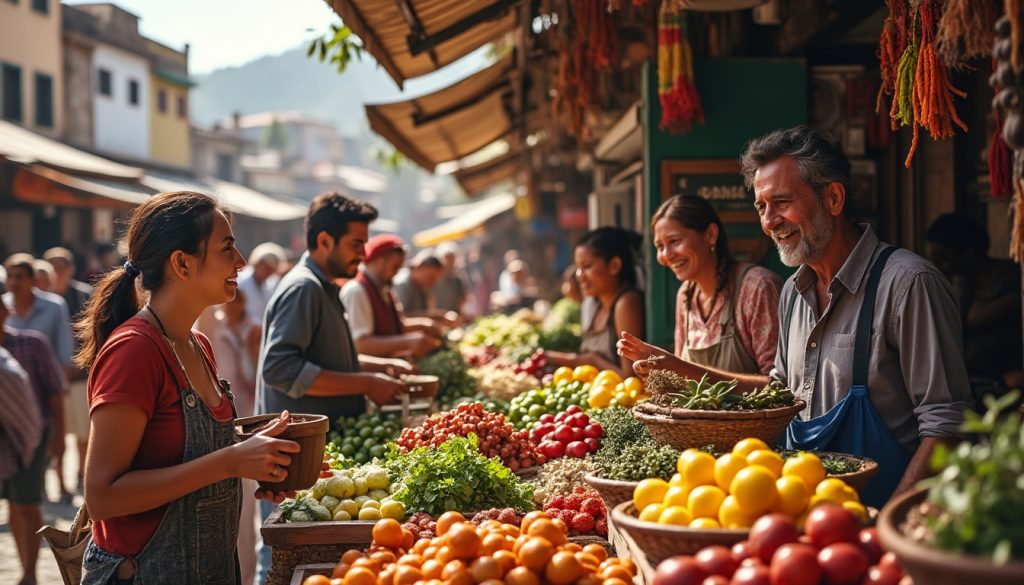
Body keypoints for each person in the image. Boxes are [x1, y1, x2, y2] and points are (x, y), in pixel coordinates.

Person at [635, 126, 973, 506]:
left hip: (888, 517)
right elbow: (780, 394)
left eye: (781, 202)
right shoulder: (793, 293)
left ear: (833, 197)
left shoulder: (909, 284)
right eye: (761, 207)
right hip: (812, 517)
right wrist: (684, 374)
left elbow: (947, 426)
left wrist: (889, 526)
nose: (769, 221)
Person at [75, 191, 300, 584]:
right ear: (181, 263)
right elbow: (102, 496)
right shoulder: (134, 351)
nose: (241, 262)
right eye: (227, 248)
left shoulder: (198, 346)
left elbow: (186, 451)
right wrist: (230, 461)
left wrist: (262, 456)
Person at [256, 193, 409, 583]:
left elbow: (325, 358)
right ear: (325, 240)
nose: (363, 252)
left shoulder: (325, 287)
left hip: (318, 461)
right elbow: (281, 367)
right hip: (298, 462)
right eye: (356, 244)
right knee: (281, 559)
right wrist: (366, 382)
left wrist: (376, 367)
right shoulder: (304, 288)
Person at [618, 195, 782, 378]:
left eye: (674, 241)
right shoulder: (685, 295)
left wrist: (677, 366)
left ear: (711, 235)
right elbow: (682, 382)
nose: (667, 255)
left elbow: (777, 385)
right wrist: (657, 373)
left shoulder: (756, 287)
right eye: (660, 246)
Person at [1, 300, 65, 585]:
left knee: (29, 502)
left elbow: (54, 391)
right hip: (4, 440)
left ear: (4, 312)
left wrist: (60, 437)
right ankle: (26, 567)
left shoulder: (32, 344)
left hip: (34, 435)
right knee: (14, 505)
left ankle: (31, 573)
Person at [925, 213, 1023, 399]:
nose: (940, 267)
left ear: (968, 252)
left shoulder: (1010, 279)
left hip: (1006, 384)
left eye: (944, 259)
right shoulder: (963, 285)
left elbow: (977, 317)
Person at [3, 253, 75, 501]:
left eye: (19, 277)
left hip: (45, 387)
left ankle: (61, 483)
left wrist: (61, 384)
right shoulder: (3, 307)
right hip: (11, 394)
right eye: (10, 276)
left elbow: (63, 348)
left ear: (32, 279)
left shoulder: (53, 306)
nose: (13, 282)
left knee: (54, 437)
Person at [212, 288, 262, 585]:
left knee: (247, 505)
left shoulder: (254, 329)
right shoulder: (212, 329)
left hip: (248, 418)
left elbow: (254, 377)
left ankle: (246, 573)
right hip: (223, 422)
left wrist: (250, 347)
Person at [548, 228, 645, 376]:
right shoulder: (596, 303)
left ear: (614, 265)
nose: (579, 276)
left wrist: (593, 360)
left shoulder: (626, 303)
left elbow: (631, 377)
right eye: (578, 268)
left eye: (586, 266)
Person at [340, 234, 441, 359]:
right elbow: (360, 344)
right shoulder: (357, 291)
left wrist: (423, 325)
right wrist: (407, 342)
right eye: (395, 267)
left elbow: (392, 326)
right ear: (379, 261)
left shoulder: (383, 289)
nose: (396, 273)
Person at [44, 246, 94, 495]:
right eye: (52, 265)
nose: (57, 271)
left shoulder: (83, 296)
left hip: (79, 373)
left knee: (82, 431)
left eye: (61, 266)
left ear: (71, 269)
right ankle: (60, 481)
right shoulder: (41, 297)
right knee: (54, 433)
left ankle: (81, 474)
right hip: (47, 376)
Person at [237, 242, 287, 325]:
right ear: (257, 263)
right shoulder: (240, 282)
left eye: (272, 270)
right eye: (267, 268)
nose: (269, 272)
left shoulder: (270, 286)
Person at [432, 242, 469, 314]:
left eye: (452, 260)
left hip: (454, 316)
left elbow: (462, 301)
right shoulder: (433, 280)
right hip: (438, 317)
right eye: (447, 260)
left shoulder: (457, 280)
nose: (449, 263)